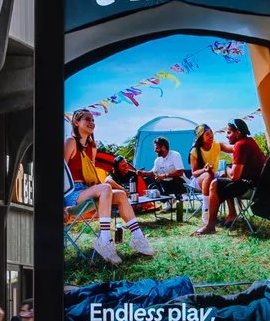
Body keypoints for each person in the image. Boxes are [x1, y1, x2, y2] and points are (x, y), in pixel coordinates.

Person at [65, 110, 151, 265]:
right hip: (71, 194)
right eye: (87, 119)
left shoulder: (92, 147)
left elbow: (91, 174)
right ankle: (104, 241)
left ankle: (138, 238)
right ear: (76, 122)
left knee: (120, 194)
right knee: (105, 188)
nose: (91, 122)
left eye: (93, 119)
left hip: (87, 189)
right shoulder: (70, 142)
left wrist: (105, 188)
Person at [198, 119, 268, 235]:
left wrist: (226, 167)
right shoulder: (249, 141)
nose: (227, 136)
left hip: (252, 187)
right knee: (223, 180)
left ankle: (210, 225)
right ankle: (231, 214)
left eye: (229, 132)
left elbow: (234, 177)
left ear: (238, 133)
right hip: (259, 185)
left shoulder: (241, 145)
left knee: (215, 183)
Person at [144, 136, 190, 214]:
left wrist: (164, 175)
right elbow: (152, 172)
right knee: (154, 184)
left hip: (181, 183)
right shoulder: (158, 160)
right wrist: (142, 173)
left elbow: (180, 172)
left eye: (157, 148)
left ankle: (177, 198)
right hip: (167, 183)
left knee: (176, 179)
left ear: (164, 148)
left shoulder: (175, 155)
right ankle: (169, 200)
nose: (155, 150)